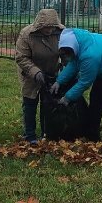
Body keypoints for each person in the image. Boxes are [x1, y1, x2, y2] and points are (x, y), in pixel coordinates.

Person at [14, 8, 64, 143]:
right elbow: (21, 57)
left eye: (52, 27)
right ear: (39, 25)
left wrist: (63, 71)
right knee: (30, 103)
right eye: (46, 27)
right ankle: (29, 135)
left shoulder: (61, 33)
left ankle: (46, 133)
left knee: (48, 103)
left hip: (52, 71)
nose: (49, 30)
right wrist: (35, 72)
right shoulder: (26, 35)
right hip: (30, 73)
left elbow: (66, 52)